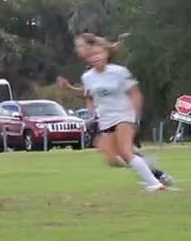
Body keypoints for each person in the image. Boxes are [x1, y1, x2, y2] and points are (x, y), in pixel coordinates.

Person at [57, 34, 172, 187]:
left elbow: (134, 92)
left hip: (123, 114)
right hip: (105, 118)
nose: (94, 56)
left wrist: (135, 116)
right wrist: (70, 89)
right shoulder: (87, 76)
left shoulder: (119, 72)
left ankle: (154, 184)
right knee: (112, 159)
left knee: (125, 151)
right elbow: (89, 94)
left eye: (82, 46)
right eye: (90, 54)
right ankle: (149, 169)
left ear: (106, 53)